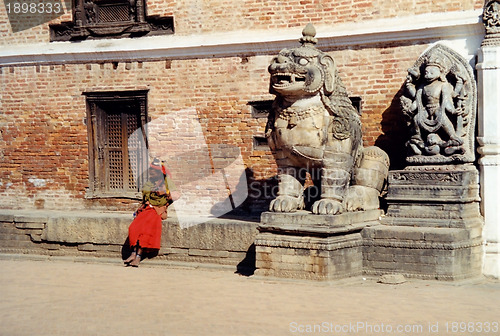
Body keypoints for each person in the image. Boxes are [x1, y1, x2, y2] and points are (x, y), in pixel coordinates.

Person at [124, 158, 177, 267]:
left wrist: (166, 197)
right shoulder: (149, 183)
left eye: (153, 171)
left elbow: (176, 195)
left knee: (146, 230)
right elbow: (145, 196)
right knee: (134, 228)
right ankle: (133, 253)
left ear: (159, 173)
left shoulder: (167, 183)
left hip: (157, 211)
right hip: (147, 209)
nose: (150, 173)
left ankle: (138, 256)